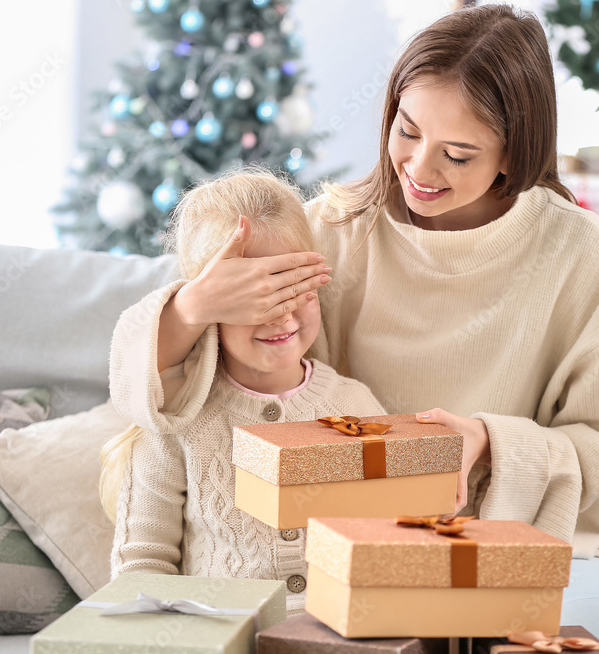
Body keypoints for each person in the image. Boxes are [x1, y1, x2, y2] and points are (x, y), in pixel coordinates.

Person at [143, 4, 599, 647]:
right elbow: (185, 386)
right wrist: (190, 307)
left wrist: (488, 443)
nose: (420, 170)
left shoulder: (576, 251)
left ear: (514, 154)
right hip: (347, 560)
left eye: (457, 154)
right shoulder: (334, 230)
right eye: (406, 130)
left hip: (508, 547)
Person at [100, 169, 387, 618]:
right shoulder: (178, 421)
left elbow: (389, 546)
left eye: (297, 287)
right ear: (210, 301)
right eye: (258, 297)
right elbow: (141, 570)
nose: (283, 316)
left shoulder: (356, 408)